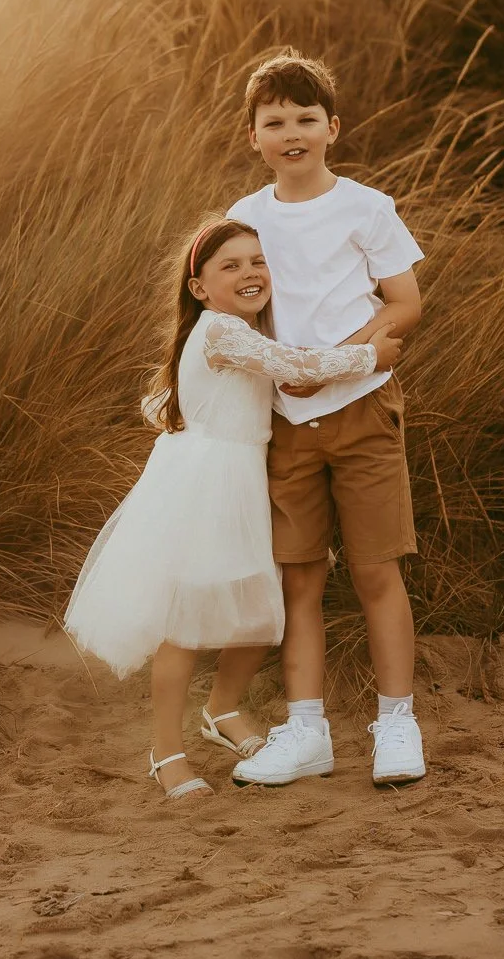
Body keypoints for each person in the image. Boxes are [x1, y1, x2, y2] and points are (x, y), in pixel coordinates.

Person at [63, 219, 401, 799]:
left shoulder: (233, 333)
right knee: (188, 622)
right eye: (231, 265)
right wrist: (370, 356)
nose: (250, 273)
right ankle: (165, 751)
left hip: (244, 480)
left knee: (257, 607)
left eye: (257, 261)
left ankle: (220, 712)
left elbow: (177, 398)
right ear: (199, 289)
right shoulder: (222, 331)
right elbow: (295, 367)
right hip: (208, 487)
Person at [220, 51, 429, 788]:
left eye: (306, 119)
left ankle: (397, 724)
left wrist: (333, 363)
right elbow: (225, 308)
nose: (291, 133)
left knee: (376, 570)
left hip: (362, 408)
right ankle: (306, 731)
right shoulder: (244, 217)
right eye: (274, 122)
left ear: (333, 128)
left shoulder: (366, 207)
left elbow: (405, 306)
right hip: (283, 424)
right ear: (253, 136)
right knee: (298, 577)